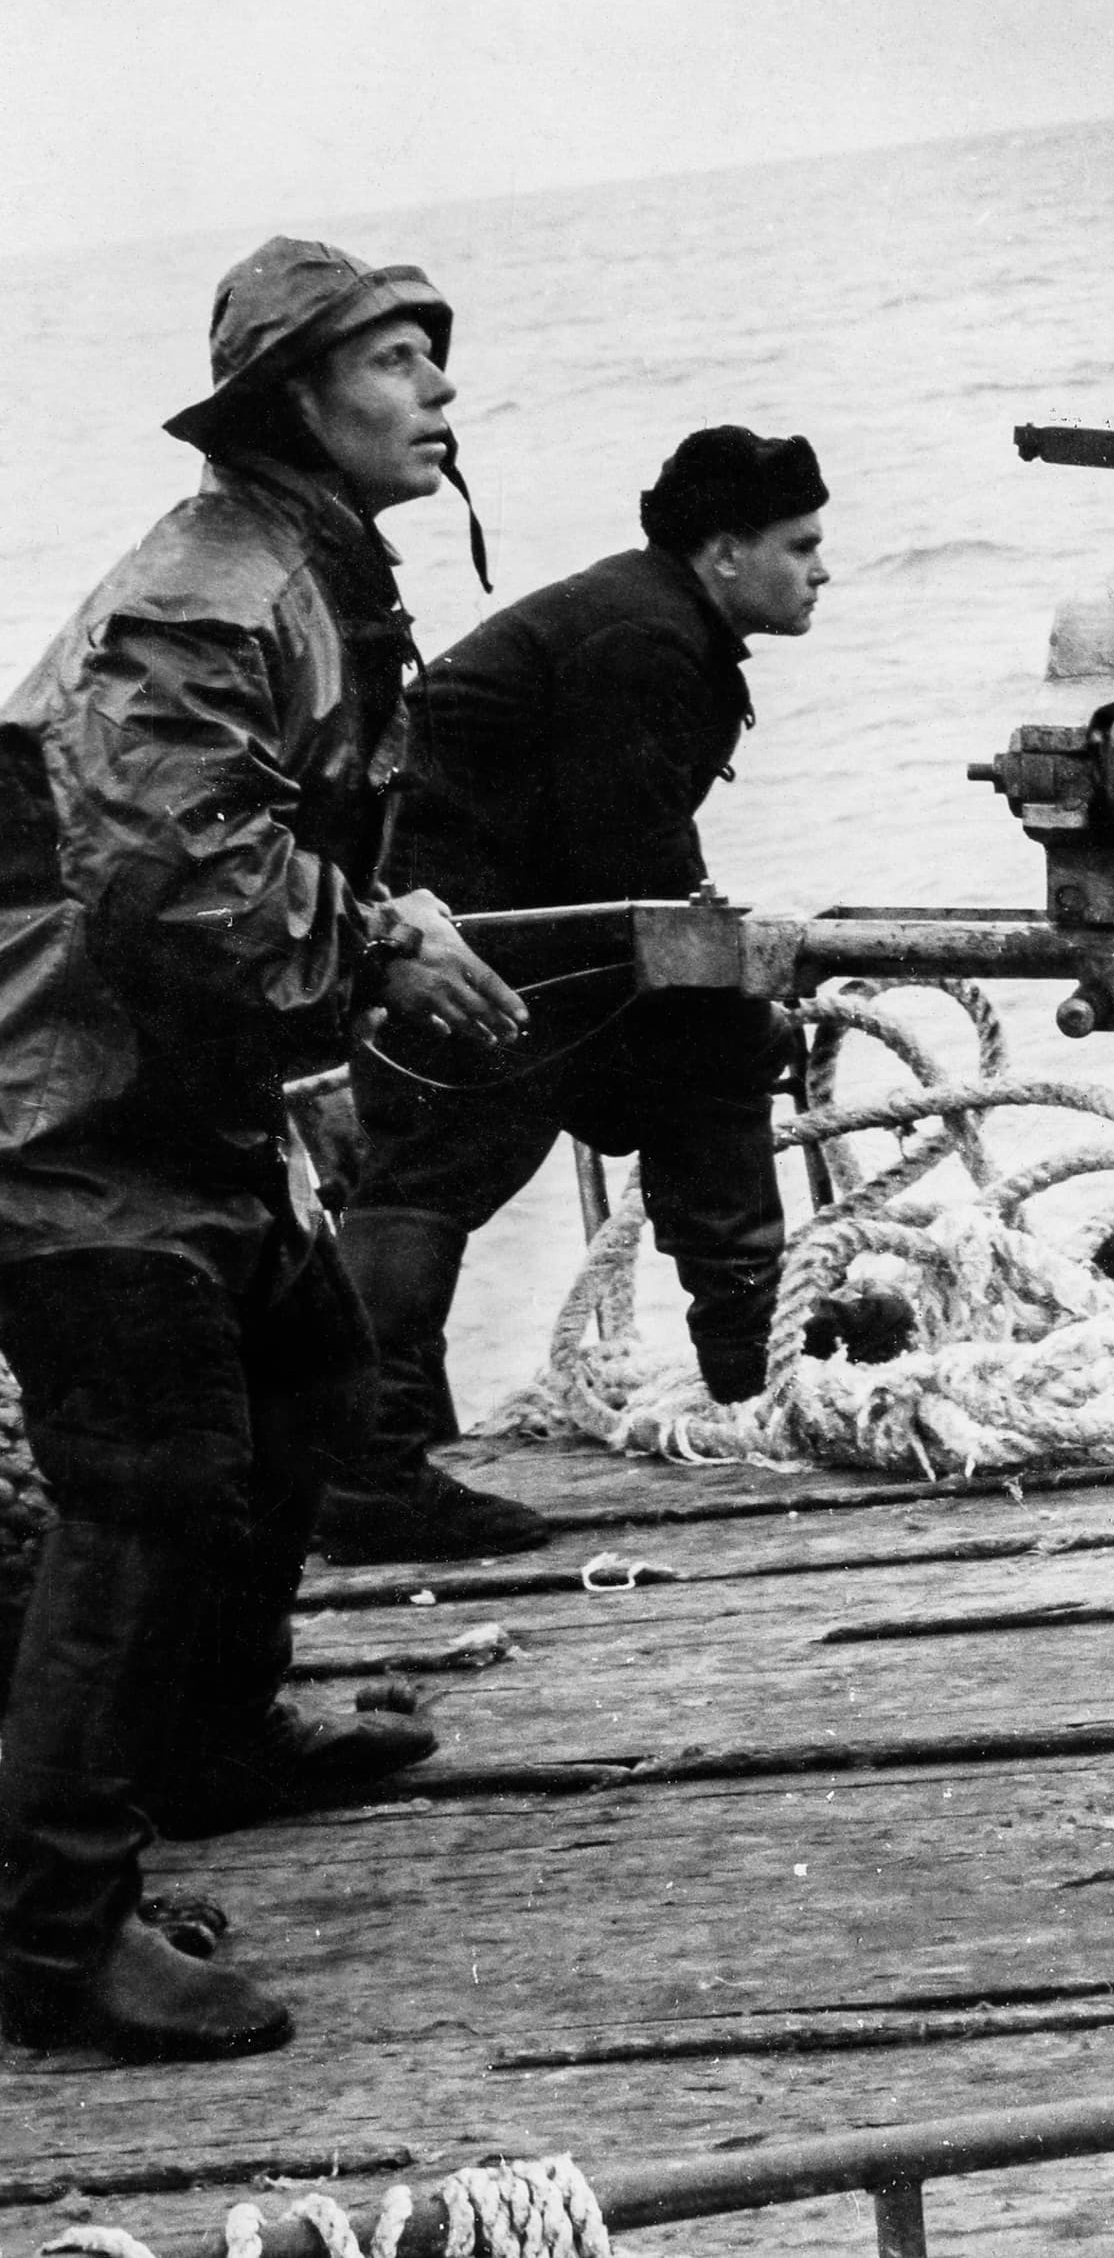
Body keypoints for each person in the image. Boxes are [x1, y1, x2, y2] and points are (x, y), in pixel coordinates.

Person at [0, 238, 526, 2061]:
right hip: (57, 1107)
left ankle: (214, 1741)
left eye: (435, 352)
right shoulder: (210, 599)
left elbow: (254, 827)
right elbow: (162, 882)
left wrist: (375, 916)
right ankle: (56, 1936)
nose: (440, 386)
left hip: (174, 1089)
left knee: (310, 1373)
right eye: (395, 357)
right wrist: (378, 945)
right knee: (144, 1484)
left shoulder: (309, 566)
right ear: (300, 404)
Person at [321, 430, 829, 1560]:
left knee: (708, 1056)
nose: (821, 570)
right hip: (461, 930)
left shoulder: (655, 615)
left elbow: (632, 843)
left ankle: (760, 1374)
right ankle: (364, 1472)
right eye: (801, 546)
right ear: (728, 553)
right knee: (438, 1175)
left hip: (504, 906)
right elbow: (626, 856)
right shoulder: (644, 636)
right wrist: (727, 981)